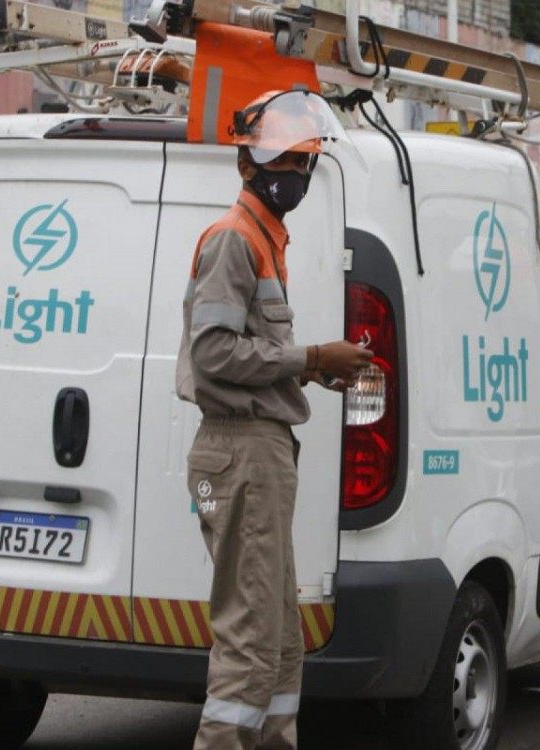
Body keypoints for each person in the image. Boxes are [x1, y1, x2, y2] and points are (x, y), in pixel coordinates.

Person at [176, 89, 373, 750]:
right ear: (247, 166)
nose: (296, 174)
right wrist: (312, 354)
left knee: (281, 640)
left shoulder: (264, 239)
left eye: (304, 161)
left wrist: (308, 368)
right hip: (241, 451)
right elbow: (212, 353)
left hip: (259, 450)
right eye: (283, 161)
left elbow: (248, 349)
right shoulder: (235, 239)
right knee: (255, 639)